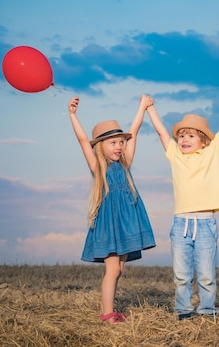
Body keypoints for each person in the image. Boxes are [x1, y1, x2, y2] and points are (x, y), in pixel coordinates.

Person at [146, 91, 219, 320]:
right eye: (181, 136)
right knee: (181, 274)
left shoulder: (212, 153)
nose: (184, 140)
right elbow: (160, 131)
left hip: (206, 224)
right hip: (181, 224)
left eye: (190, 136)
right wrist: (149, 108)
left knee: (206, 274)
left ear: (204, 141)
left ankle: (207, 310)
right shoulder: (175, 155)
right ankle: (183, 310)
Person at [68, 94, 156, 324]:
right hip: (110, 224)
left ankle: (108, 309)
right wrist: (73, 115)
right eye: (112, 142)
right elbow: (82, 141)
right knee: (113, 270)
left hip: (128, 221)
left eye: (120, 142)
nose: (119, 146)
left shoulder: (125, 163)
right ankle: (107, 314)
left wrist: (142, 108)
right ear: (100, 147)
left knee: (119, 269)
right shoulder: (98, 166)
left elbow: (134, 131)